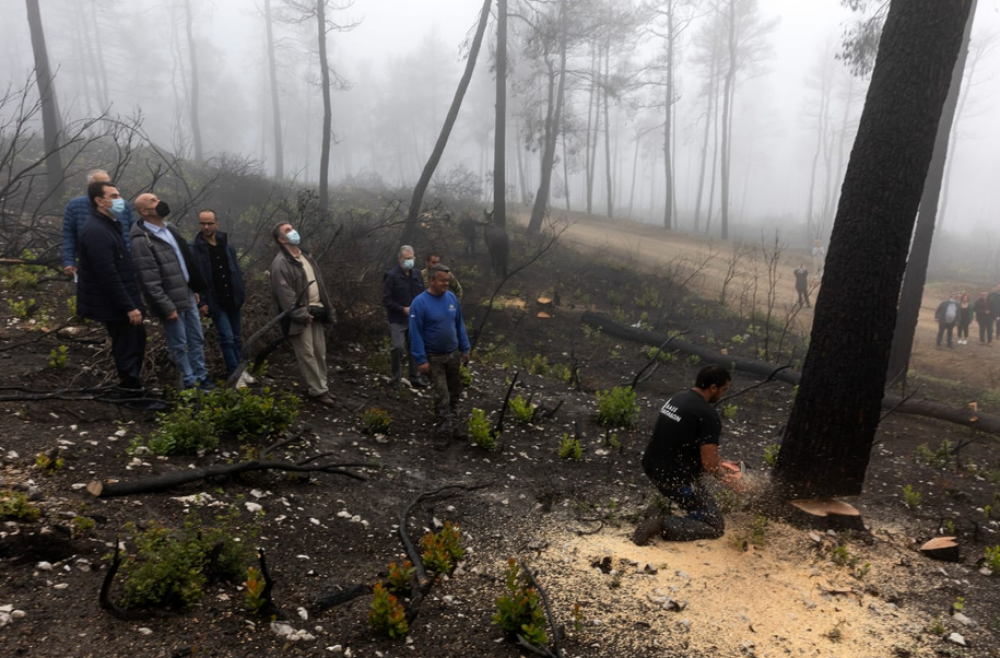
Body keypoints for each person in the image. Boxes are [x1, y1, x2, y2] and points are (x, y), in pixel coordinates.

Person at [633, 365, 741, 544]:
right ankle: (662, 523)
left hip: (652, 467)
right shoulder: (707, 416)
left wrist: (721, 462)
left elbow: (683, 441)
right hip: (675, 480)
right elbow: (709, 466)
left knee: (697, 497)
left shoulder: (678, 398)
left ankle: (656, 513)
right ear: (713, 388)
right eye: (723, 389)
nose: (723, 394)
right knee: (713, 525)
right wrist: (728, 479)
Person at [76, 181, 149, 402]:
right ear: (100, 201)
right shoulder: (96, 231)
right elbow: (107, 274)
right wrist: (129, 306)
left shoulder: (109, 225)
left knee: (137, 340)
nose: (120, 200)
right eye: (114, 196)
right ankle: (130, 395)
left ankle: (133, 389)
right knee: (127, 346)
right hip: (113, 304)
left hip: (122, 299)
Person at [130, 193, 212, 390]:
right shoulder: (142, 240)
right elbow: (149, 279)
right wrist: (166, 306)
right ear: (144, 211)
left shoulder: (170, 229)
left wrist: (193, 287)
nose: (159, 203)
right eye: (153, 201)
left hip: (187, 294)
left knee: (196, 339)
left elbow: (184, 261)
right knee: (179, 345)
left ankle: (201, 378)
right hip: (169, 302)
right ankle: (188, 383)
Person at [269, 222, 336, 407]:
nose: (293, 232)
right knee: (307, 353)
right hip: (300, 317)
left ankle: (322, 386)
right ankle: (317, 391)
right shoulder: (280, 264)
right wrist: (301, 314)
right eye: (288, 231)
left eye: (292, 228)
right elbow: (286, 295)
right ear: (281, 239)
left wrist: (326, 308)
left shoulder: (305, 256)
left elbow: (319, 283)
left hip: (318, 311)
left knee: (319, 351)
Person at [409, 263, 471, 450]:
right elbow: (415, 333)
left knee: (455, 393)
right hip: (433, 357)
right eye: (443, 280)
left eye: (448, 280)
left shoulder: (452, 298)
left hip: (452, 355)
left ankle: (454, 426)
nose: (446, 284)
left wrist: (465, 348)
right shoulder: (419, 303)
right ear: (432, 280)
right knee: (441, 396)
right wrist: (420, 359)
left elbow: (459, 324)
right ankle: (443, 432)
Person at [191, 209, 254, 387]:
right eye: (203, 223)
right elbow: (195, 277)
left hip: (232, 298)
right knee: (226, 338)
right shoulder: (195, 249)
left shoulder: (226, 245)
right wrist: (202, 302)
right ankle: (234, 375)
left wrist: (240, 292)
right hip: (215, 301)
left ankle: (241, 370)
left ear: (217, 224)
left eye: (210, 223)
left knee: (237, 337)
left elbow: (235, 270)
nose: (206, 227)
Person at [63, 169, 136, 277]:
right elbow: (69, 236)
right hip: (91, 263)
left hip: (123, 261)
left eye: (107, 183)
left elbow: (133, 233)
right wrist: (69, 261)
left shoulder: (123, 206)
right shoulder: (75, 206)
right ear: (89, 185)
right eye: (101, 183)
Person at [382, 245, 427, 389]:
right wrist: (402, 309)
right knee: (398, 347)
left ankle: (415, 377)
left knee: (415, 347)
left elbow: (423, 295)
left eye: (412, 258)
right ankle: (395, 379)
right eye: (407, 259)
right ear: (399, 259)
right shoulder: (391, 276)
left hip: (415, 319)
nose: (410, 261)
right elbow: (386, 300)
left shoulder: (417, 274)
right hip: (398, 319)